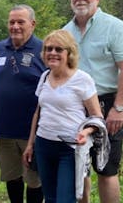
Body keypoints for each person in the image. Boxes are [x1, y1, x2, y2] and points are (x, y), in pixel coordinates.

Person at [22, 29, 103, 203]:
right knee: (50, 198)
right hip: (44, 144)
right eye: (48, 49)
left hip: (70, 148)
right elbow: (39, 111)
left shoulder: (83, 79)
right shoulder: (44, 76)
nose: (52, 53)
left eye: (59, 49)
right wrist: (30, 144)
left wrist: (86, 132)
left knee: (65, 199)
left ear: (69, 53)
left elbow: (97, 116)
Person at [63, 0, 123, 203]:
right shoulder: (66, 31)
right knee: (80, 166)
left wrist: (119, 108)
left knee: (107, 169)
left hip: (108, 103)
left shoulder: (115, 27)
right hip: (76, 105)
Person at [0, 4, 45, 203]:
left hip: (32, 132)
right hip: (4, 130)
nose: (15, 26)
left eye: (20, 22)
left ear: (32, 24)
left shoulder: (43, 49)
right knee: (11, 175)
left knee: (34, 180)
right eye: (11, 22)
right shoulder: (0, 48)